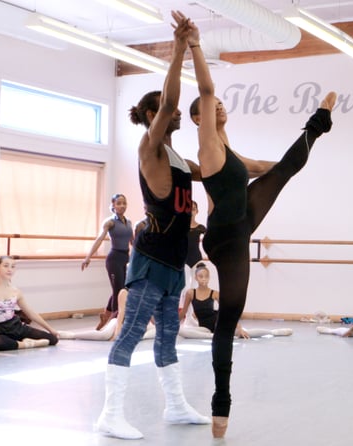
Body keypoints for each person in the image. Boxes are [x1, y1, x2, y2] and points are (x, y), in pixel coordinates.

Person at [187, 17, 336, 438]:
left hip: (242, 220)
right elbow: (206, 89)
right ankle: (221, 403)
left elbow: (258, 167)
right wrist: (196, 46)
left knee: (287, 167)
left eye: (217, 106)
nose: (217, 107)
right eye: (210, 109)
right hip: (227, 236)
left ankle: (318, 124)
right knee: (228, 319)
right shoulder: (208, 142)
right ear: (199, 118)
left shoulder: (226, 148)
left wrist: (287, 170)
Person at [96, 12, 209, 440]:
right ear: (152, 113)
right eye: (169, 110)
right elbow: (167, 103)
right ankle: (110, 414)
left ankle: (177, 406)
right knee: (129, 334)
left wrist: (284, 166)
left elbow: (222, 171)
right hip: (148, 260)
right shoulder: (150, 146)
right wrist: (179, 49)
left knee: (168, 338)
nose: (179, 114)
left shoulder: (181, 160)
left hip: (172, 261)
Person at [179, 263, 292, 339]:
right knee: (182, 331)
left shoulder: (215, 293)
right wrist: (170, 326)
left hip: (219, 323)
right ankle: (215, 336)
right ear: (196, 278)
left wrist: (238, 327)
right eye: (201, 276)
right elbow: (183, 313)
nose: (204, 279)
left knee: (242, 334)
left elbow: (228, 311)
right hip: (204, 328)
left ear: (209, 277)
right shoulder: (190, 293)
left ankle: (273, 332)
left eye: (206, 276)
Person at [82, 193, 133, 330]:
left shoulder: (128, 222)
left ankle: (107, 317)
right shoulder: (110, 222)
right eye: (119, 203)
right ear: (113, 205)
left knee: (122, 289)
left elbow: (133, 241)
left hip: (125, 258)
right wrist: (88, 257)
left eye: (124, 203)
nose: (122, 206)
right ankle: (117, 322)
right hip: (114, 259)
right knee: (119, 290)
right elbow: (99, 239)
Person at [0, 255, 59, 351]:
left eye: (13, 266)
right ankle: (27, 344)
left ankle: (17, 342)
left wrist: (50, 329)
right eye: (6, 266)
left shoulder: (16, 291)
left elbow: (30, 313)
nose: (10, 269)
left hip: (14, 326)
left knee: (53, 339)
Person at [58, 288, 156, 341]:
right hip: (122, 322)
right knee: (105, 335)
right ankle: (72, 335)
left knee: (157, 331)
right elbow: (121, 314)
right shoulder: (124, 292)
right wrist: (117, 333)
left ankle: (140, 337)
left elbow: (149, 313)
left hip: (140, 324)